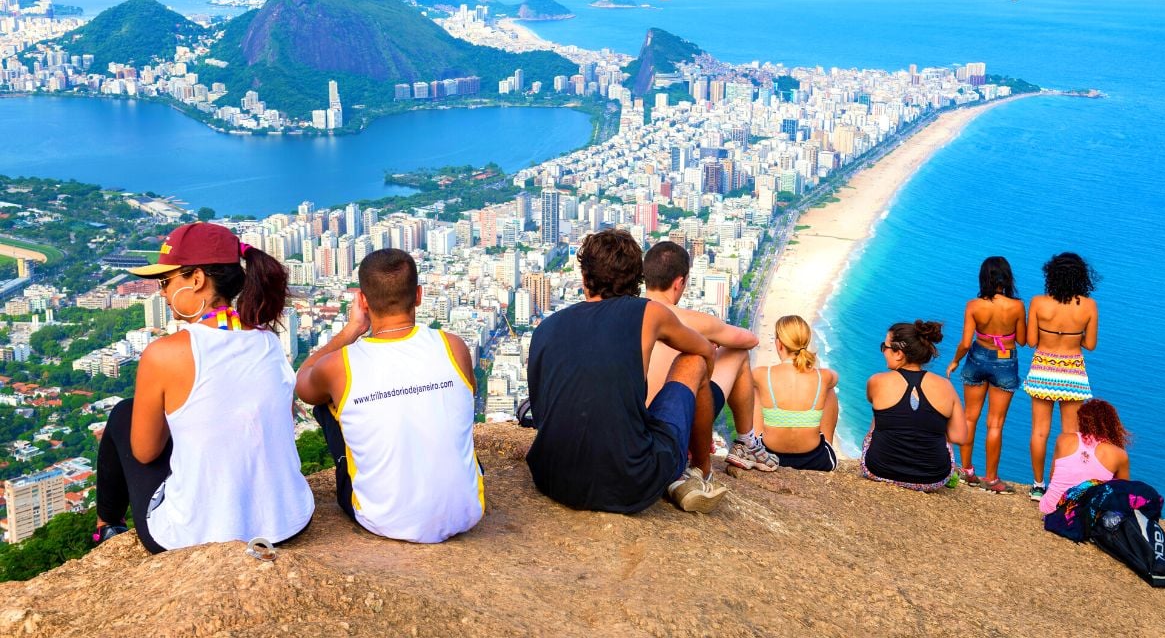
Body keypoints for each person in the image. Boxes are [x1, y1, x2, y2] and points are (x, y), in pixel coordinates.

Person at [93, 222, 314, 552]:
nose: (162, 292)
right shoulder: (268, 341)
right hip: (287, 521)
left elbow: (144, 453)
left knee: (126, 412)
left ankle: (107, 526)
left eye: (166, 281)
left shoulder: (165, 354)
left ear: (196, 280)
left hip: (198, 536)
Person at [526, 229, 723, 514]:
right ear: (637, 280)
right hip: (629, 482)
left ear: (584, 278)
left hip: (551, 478)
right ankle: (700, 471)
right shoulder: (649, 312)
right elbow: (705, 350)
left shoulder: (545, 328)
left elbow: (541, 411)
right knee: (693, 362)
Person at [295, 249, 484, 543]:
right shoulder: (453, 346)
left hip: (381, 518)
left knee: (327, 401)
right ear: (419, 295)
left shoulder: (340, 365)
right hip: (467, 511)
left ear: (364, 301)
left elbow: (302, 384)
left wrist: (354, 328)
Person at [642, 241, 778, 472]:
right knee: (737, 353)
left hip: (636, 425)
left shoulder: (626, 314)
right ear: (679, 283)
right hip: (676, 421)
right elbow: (750, 340)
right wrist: (710, 337)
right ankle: (746, 443)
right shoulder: (690, 320)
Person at [944, 257, 1027, 494]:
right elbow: (1021, 340)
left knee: (970, 417)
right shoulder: (1017, 306)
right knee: (995, 424)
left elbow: (964, 342)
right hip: (1005, 361)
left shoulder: (973, 305)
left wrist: (955, 361)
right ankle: (991, 480)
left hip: (977, 358)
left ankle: (967, 471)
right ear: (1007, 278)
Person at [1025, 252, 1099, 502]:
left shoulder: (1038, 303)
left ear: (1051, 275)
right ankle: (1063, 488)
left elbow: (1032, 341)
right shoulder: (1088, 306)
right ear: (1081, 277)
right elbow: (1090, 344)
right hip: (1073, 373)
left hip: (1043, 368)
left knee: (1039, 431)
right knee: (1071, 434)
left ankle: (1038, 486)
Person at [861, 321, 967, 492]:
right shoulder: (946, 386)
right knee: (942, 430)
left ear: (898, 354)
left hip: (878, 469)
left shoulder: (877, 381)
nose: (883, 351)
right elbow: (960, 437)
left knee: (881, 416)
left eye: (885, 347)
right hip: (933, 479)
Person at [751, 315, 839, 471]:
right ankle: (827, 444)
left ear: (779, 344)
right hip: (815, 459)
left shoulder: (761, 374)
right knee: (828, 389)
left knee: (756, 387)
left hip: (769, 456)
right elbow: (835, 378)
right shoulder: (824, 376)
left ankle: (755, 445)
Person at [1039, 399, 1130, 516]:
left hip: (1051, 508)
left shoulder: (1063, 439)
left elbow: (1053, 476)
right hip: (1085, 518)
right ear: (1113, 424)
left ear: (1082, 419)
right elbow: (1123, 493)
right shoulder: (1119, 454)